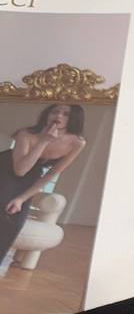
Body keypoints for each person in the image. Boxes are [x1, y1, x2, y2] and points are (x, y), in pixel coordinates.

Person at [0, 103, 87, 267]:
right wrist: (44, 141)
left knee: (14, 221)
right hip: (5, 169)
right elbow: (20, 170)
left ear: (74, 119)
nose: (58, 116)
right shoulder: (26, 133)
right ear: (47, 114)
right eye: (55, 112)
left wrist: (21, 199)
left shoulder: (77, 142)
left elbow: (52, 173)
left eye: (66, 114)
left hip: (31, 176)